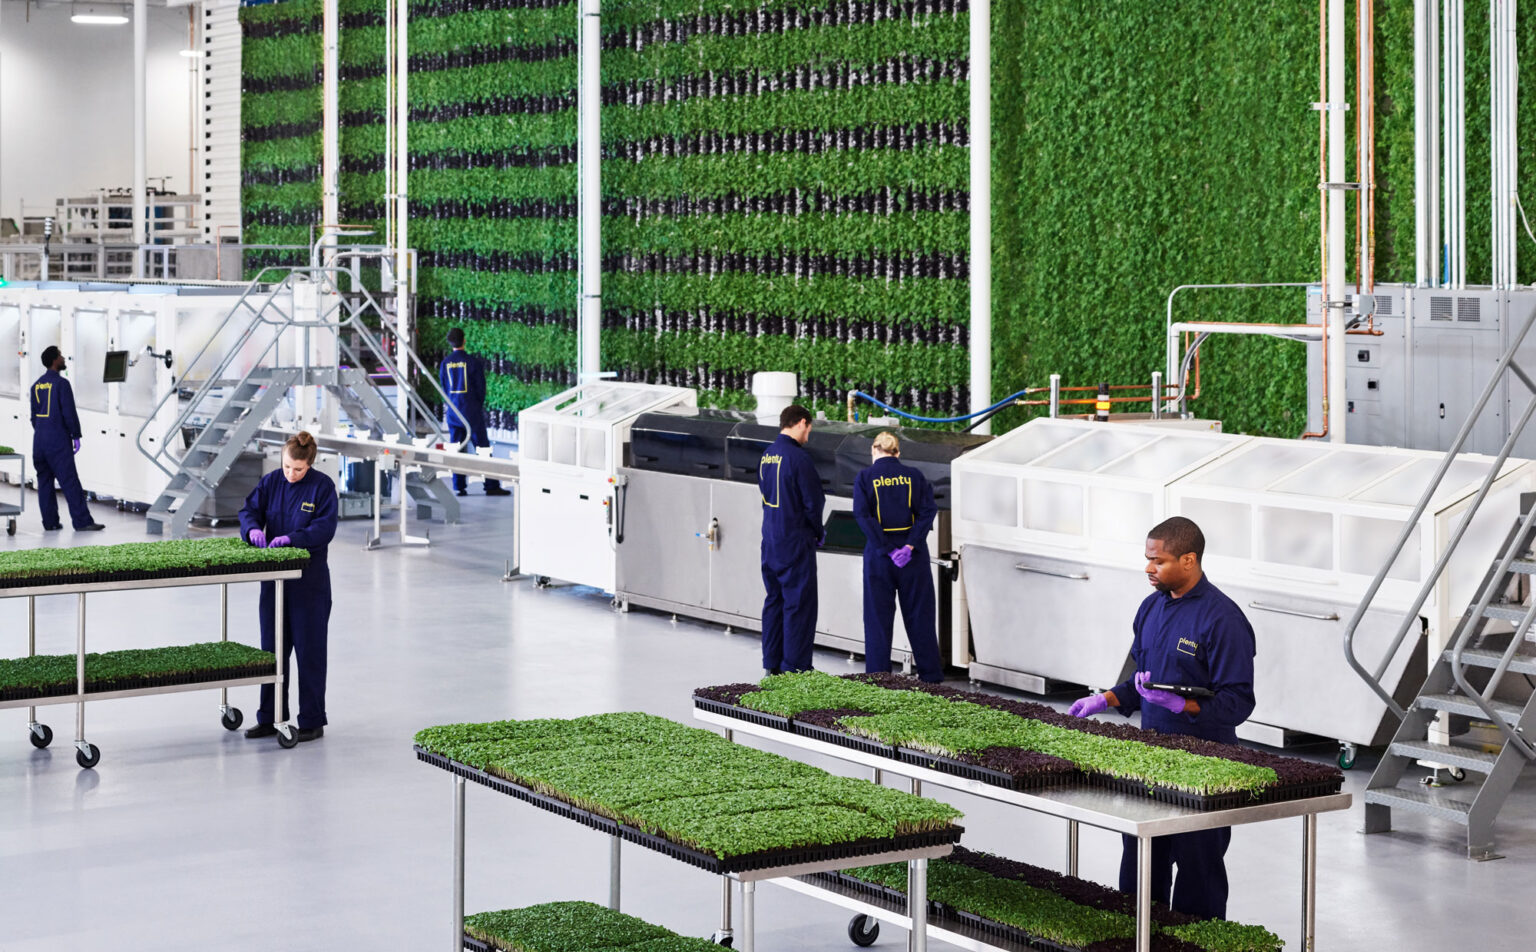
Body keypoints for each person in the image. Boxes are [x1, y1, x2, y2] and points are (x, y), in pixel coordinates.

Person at [1067, 516, 1255, 920]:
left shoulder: (1223, 620)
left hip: (1206, 765)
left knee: (1198, 870)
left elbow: (1239, 703)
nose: (1149, 568)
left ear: (1189, 560)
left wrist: (1185, 708)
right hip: (1150, 759)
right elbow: (1142, 680)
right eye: (1148, 559)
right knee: (1141, 865)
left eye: (1159, 561)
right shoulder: (1150, 608)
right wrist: (1105, 700)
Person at [239, 431, 338, 743]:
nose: (291, 474)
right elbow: (248, 510)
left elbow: (325, 527)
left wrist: (293, 539)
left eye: (298, 469)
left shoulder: (323, 487)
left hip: (309, 581)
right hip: (273, 579)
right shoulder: (271, 482)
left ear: (309, 463)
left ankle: (311, 720)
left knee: (310, 651)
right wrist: (252, 529)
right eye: (286, 467)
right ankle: (269, 717)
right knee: (272, 649)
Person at [853, 431, 943, 683]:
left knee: (877, 620)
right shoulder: (914, 476)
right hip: (913, 560)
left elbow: (862, 515)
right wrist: (910, 547)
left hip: (879, 560)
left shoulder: (865, 477)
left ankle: (879, 678)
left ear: (874, 450)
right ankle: (931, 677)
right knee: (920, 617)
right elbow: (927, 511)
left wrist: (887, 549)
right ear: (898, 452)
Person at [758, 403, 825, 676]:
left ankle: (771, 665)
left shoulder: (767, 455)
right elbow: (813, 502)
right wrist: (818, 531)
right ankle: (795, 669)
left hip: (770, 540)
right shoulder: (799, 459)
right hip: (795, 541)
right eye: (808, 428)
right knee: (799, 605)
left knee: (774, 601)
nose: (809, 434)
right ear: (800, 423)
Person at [29, 346, 104, 532]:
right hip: (57, 442)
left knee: (45, 483)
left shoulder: (36, 385)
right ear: (55, 360)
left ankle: (50, 523)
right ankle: (82, 522)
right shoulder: (61, 384)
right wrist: (75, 435)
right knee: (70, 482)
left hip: (39, 443)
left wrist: (43, 433)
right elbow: (69, 413)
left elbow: (33, 417)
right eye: (60, 356)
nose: (63, 358)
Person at [438, 328, 508, 497]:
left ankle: (459, 486)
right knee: (482, 446)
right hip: (470, 409)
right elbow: (480, 388)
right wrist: (475, 405)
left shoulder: (445, 363)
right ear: (464, 340)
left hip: (453, 411)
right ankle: (491, 485)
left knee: (456, 447)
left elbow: (444, 387)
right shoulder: (472, 362)